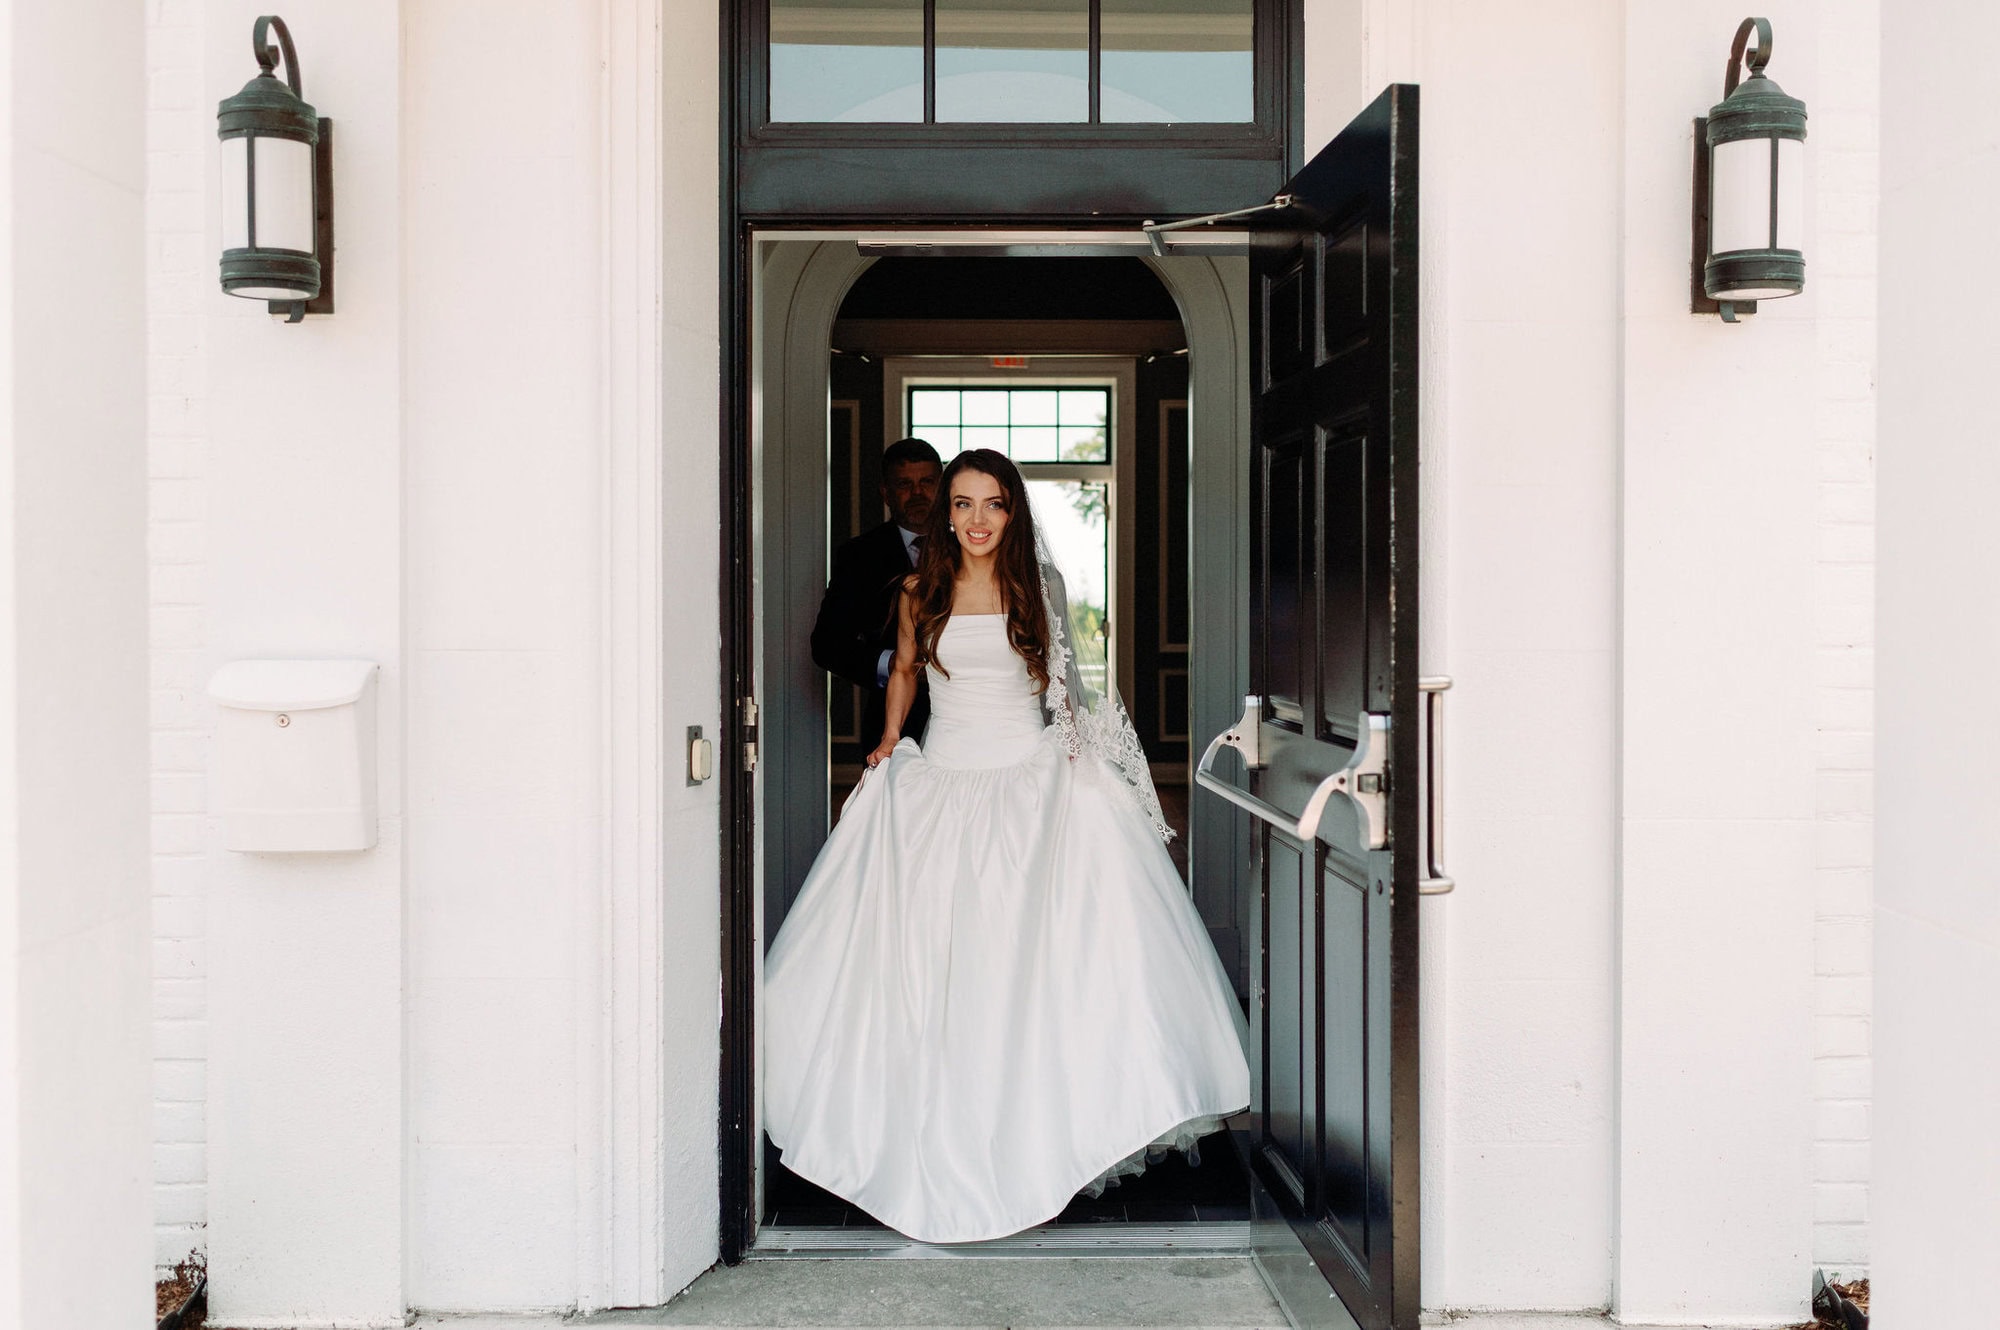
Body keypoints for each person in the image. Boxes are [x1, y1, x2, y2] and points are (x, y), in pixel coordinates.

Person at [763, 448, 1250, 1244]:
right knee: (924, 948)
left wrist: (1074, 748)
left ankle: (1057, 1125)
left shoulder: (1037, 585)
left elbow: (1061, 680)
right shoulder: (919, 589)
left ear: (1012, 511)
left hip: (1029, 773)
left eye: (992, 503)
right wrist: (888, 738)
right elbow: (906, 672)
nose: (977, 519)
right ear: (946, 513)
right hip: (943, 772)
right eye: (962, 504)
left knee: (1043, 947)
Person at [812, 437, 941, 749]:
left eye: (926, 482)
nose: (917, 493)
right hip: (892, 724)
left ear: (942, 487)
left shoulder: (971, 546)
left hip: (967, 719)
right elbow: (827, 644)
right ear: (886, 492)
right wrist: (893, 662)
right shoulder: (859, 556)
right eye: (904, 484)